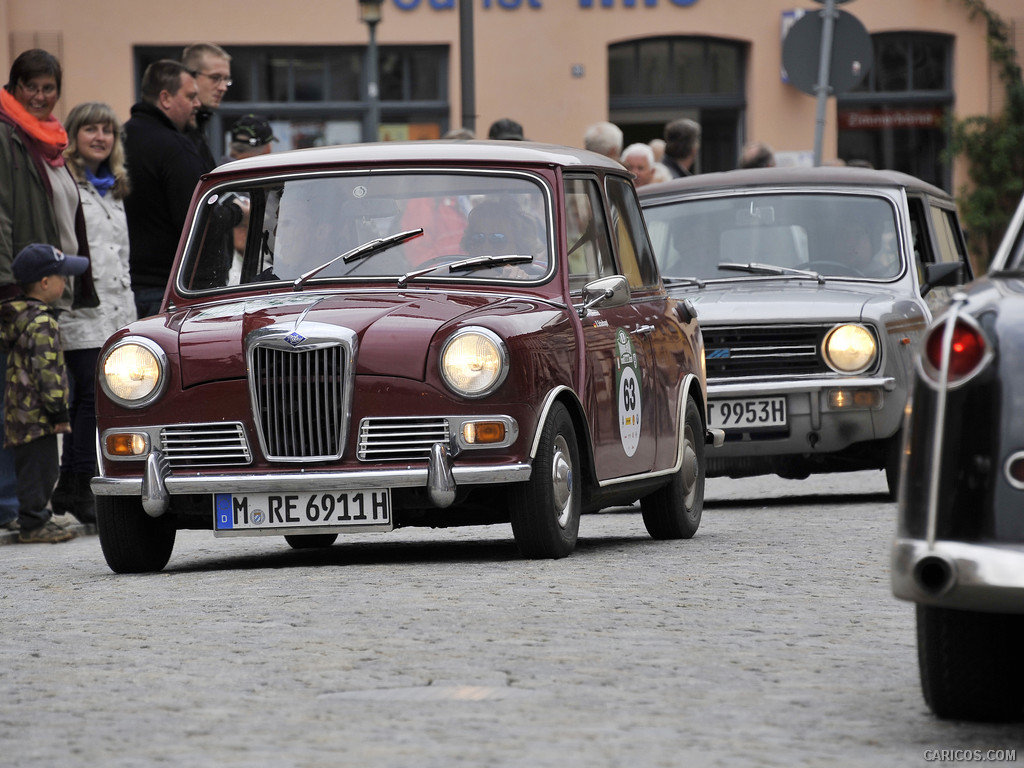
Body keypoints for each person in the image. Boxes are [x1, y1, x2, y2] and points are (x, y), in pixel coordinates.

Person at [0, 48, 97, 532]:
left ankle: (26, 509)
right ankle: (17, 510)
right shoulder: (7, 136)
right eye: (30, 87)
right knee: (20, 405)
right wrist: (9, 284)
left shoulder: (48, 142)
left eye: (48, 87)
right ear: (14, 88)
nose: (40, 95)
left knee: (29, 399)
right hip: (19, 286)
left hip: (46, 280)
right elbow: (1, 213)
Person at [51, 102, 137, 524]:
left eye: (108, 130)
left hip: (117, 305)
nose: (100, 137)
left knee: (98, 397)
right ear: (74, 135)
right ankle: (82, 484)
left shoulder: (114, 187)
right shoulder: (66, 183)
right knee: (87, 397)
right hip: (82, 305)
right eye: (91, 130)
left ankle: (69, 484)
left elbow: (119, 254)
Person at [0, 244, 89, 543]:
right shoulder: (42, 322)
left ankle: (35, 517)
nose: (66, 282)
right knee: (42, 469)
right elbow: (47, 370)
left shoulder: (19, 316)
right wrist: (58, 412)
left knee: (31, 467)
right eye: (62, 276)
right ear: (45, 283)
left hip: (19, 410)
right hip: (38, 412)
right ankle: (33, 524)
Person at [123, 59, 204, 318]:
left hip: (123, 291)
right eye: (191, 96)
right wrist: (234, 213)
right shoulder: (175, 148)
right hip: (167, 292)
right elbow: (196, 221)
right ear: (165, 98)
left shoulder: (118, 140)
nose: (197, 104)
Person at [181, 43, 232, 170]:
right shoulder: (178, 128)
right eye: (215, 78)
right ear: (191, 76)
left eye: (226, 79)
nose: (223, 87)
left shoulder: (197, 126)